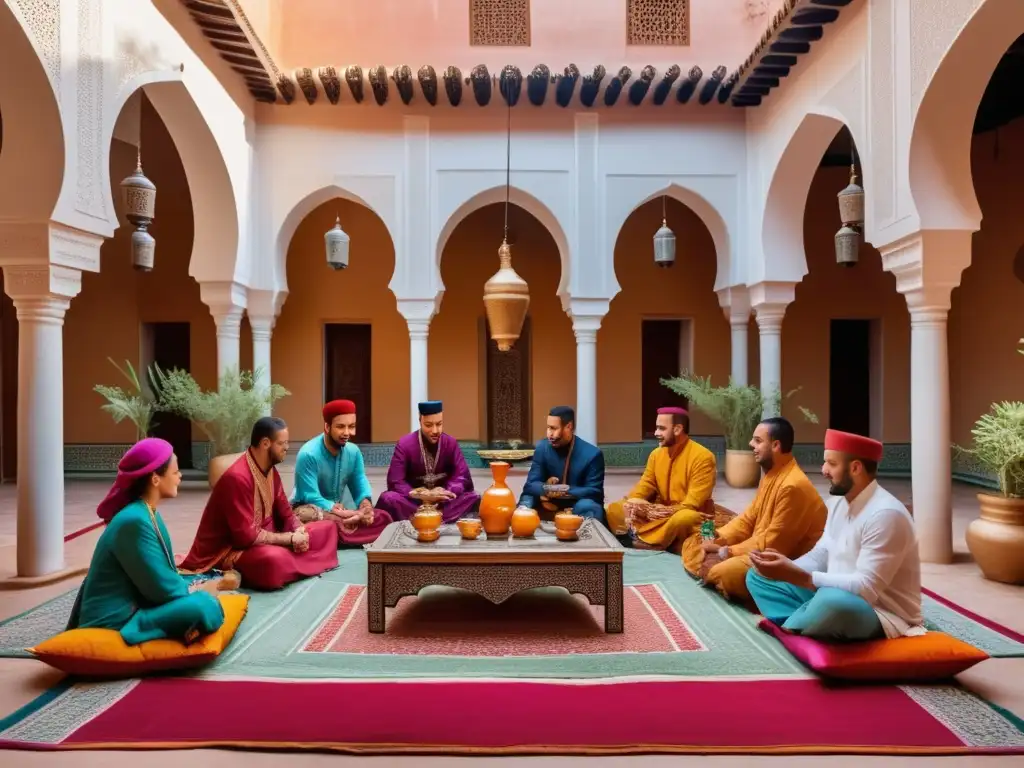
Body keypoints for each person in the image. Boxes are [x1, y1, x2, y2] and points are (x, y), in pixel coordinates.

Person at [746, 429, 924, 641]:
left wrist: (804, 578)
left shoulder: (886, 515)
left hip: (878, 610)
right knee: (757, 576)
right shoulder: (838, 504)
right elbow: (821, 554)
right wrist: (784, 568)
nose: (823, 470)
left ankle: (799, 622)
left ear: (855, 468)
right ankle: (805, 621)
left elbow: (866, 588)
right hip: (830, 590)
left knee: (833, 604)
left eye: (831, 463)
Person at [68, 438, 231, 645]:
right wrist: (194, 591)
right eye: (175, 472)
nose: (180, 476)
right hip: (116, 622)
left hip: (137, 606)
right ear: (155, 479)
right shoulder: (134, 521)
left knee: (200, 594)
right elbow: (163, 591)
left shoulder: (144, 512)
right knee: (204, 605)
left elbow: (161, 579)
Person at [180, 417, 339, 590]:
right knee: (273, 561)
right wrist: (291, 539)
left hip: (271, 538)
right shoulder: (237, 478)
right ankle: (297, 562)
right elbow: (246, 537)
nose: (287, 447)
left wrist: (299, 529)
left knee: (328, 528)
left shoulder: (270, 469)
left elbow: (285, 512)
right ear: (265, 443)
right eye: (282, 443)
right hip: (232, 550)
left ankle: (296, 561)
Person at [682, 417, 826, 603]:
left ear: (775, 445)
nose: (751, 444)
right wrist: (718, 536)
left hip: (784, 559)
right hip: (758, 547)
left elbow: (773, 544)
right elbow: (749, 518)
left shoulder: (793, 486)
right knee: (695, 542)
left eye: (758, 441)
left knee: (724, 572)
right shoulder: (772, 473)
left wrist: (726, 551)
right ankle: (712, 564)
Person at [606, 407, 717, 550]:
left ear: (677, 429)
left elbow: (692, 503)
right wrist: (631, 504)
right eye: (656, 428)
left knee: (684, 519)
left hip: (687, 513)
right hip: (658, 513)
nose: (656, 433)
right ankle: (656, 541)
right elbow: (645, 485)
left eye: (661, 428)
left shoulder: (702, 457)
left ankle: (650, 542)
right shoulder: (656, 454)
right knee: (614, 509)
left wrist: (657, 511)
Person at [291, 399, 392, 545]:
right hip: (311, 510)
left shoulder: (353, 451)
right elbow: (309, 494)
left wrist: (365, 506)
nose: (347, 433)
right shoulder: (308, 454)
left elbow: (359, 482)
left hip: (344, 511)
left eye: (351, 426)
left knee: (383, 518)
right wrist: (333, 508)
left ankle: (339, 535)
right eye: (340, 427)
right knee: (322, 521)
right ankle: (341, 533)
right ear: (327, 426)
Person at [376, 400, 480, 523]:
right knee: (388, 498)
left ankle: (429, 517)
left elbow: (461, 476)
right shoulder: (404, 444)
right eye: (429, 425)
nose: (435, 430)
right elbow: (396, 481)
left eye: (439, 424)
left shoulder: (450, 443)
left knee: (473, 497)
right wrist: (421, 494)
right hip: (415, 502)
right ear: (420, 421)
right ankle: (436, 517)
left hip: (443, 501)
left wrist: (445, 491)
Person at [519, 406, 606, 524]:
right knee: (527, 500)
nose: (549, 434)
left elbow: (594, 491)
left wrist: (564, 490)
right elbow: (530, 485)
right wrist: (546, 488)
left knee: (588, 506)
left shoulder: (592, 454)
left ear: (568, 427)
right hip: (547, 501)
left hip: (576, 504)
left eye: (553, 428)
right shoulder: (542, 448)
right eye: (548, 428)